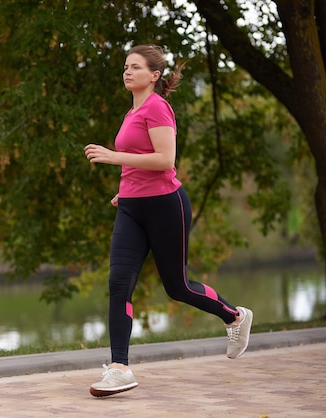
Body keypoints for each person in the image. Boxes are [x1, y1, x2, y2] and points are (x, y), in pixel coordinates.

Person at [83, 44, 253, 398]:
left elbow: (164, 160)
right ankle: (119, 368)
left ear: (154, 75)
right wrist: (125, 188)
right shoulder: (132, 111)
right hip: (132, 206)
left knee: (178, 287)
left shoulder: (158, 107)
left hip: (165, 205)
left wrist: (113, 157)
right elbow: (138, 161)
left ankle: (234, 316)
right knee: (119, 283)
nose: (127, 72)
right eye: (125, 67)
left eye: (135, 67)